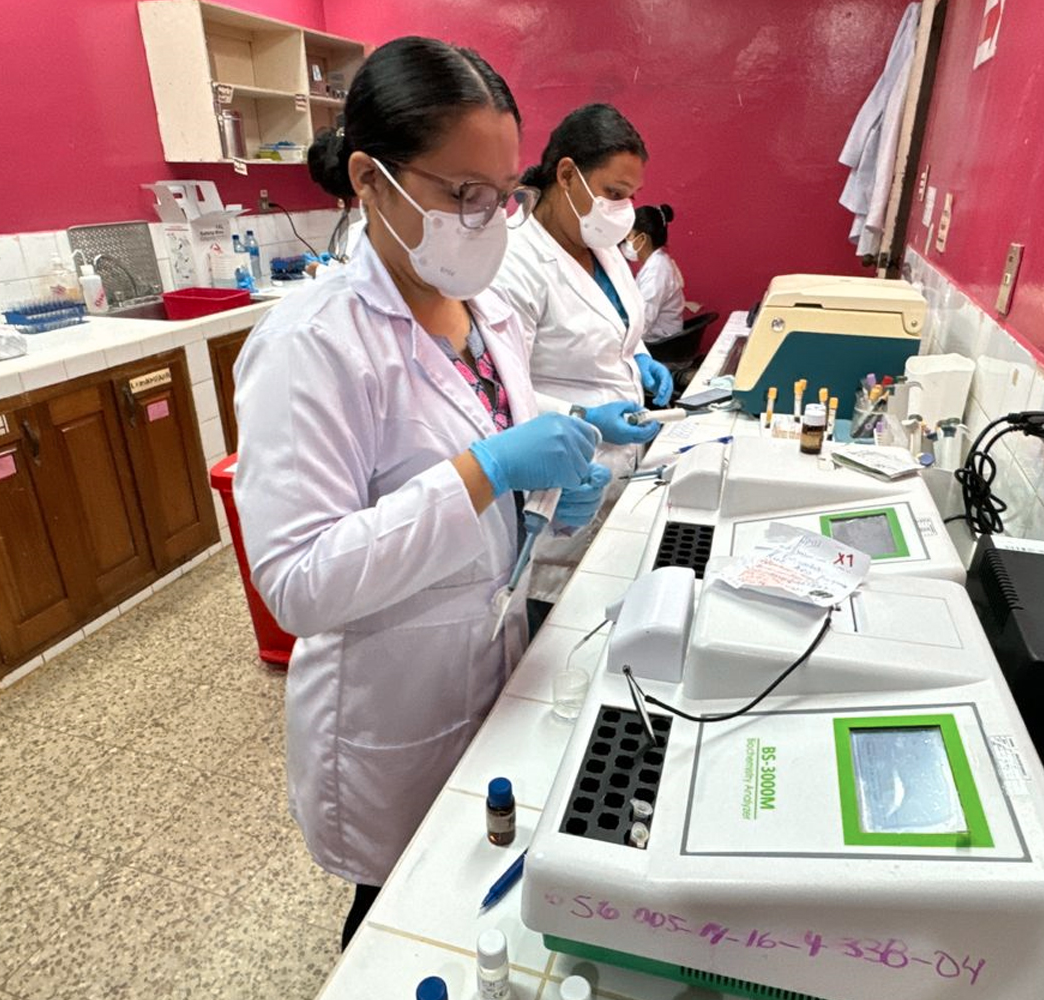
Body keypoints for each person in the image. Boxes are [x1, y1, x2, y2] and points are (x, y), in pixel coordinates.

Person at [233, 36, 609, 950]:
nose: (490, 217)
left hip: (486, 655)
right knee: (397, 924)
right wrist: (490, 472)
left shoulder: (485, 310)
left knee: (469, 879)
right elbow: (299, 583)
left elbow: (471, 414)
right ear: (369, 178)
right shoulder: (311, 346)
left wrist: (572, 439)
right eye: (461, 194)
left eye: (504, 195)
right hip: (386, 702)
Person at [493, 103, 675, 621]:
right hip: (564, 472)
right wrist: (585, 417)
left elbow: (615, 324)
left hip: (622, 463)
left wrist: (640, 356)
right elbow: (501, 388)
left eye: (630, 196)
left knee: (604, 603)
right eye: (614, 193)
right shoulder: (514, 259)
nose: (624, 209)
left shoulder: (602, 244)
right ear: (567, 174)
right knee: (555, 624)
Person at [622, 204, 686, 345]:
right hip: (658, 338)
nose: (625, 243)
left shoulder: (656, 271)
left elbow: (643, 322)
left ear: (642, 239)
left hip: (661, 345)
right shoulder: (655, 264)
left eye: (629, 236)